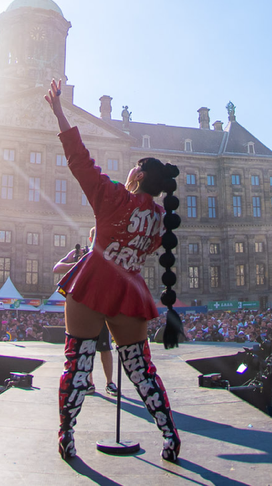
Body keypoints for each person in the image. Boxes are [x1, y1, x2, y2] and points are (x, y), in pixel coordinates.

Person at [46, 79, 183, 462]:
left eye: (132, 168)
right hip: (130, 292)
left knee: (78, 364)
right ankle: (169, 435)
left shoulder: (113, 197)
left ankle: (67, 436)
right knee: (140, 369)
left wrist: (59, 111)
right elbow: (144, 248)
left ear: (136, 177)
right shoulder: (162, 220)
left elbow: (79, 158)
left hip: (93, 284)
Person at [52, 229, 117, 395]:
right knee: (86, 347)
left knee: (105, 347)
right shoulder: (79, 253)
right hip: (84, 306)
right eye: (95, 237)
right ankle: (89, 382)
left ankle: (110, 382)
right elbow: (57, 268)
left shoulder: (108, 254)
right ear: (90, 238)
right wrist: (78, 264)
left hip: (101, 306)